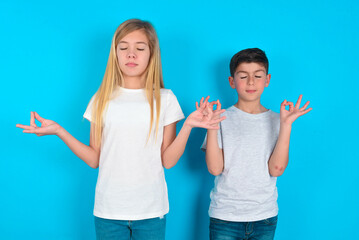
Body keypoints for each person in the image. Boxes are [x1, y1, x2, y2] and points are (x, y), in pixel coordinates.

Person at [16, 19, 225, 240]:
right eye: (123, 48)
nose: (131, 54)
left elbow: (168, 161)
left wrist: (189, 126)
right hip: (108, 211)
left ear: (151, 54)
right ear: (115, 54)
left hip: (152, 211)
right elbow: (94, 159)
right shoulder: (101, 99)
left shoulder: (165, 99)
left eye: (139, 48)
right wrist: (60, 131)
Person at [201, 48, 312, 240]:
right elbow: (214, 168)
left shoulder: (279, 119)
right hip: (225, 216)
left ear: (267, 80)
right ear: (231, 81)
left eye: (257, 76)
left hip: (264, 216)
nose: (251, 82)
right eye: (243, 76)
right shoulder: (219, 118)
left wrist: (286, 125)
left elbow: (276, 169)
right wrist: (212, 126)